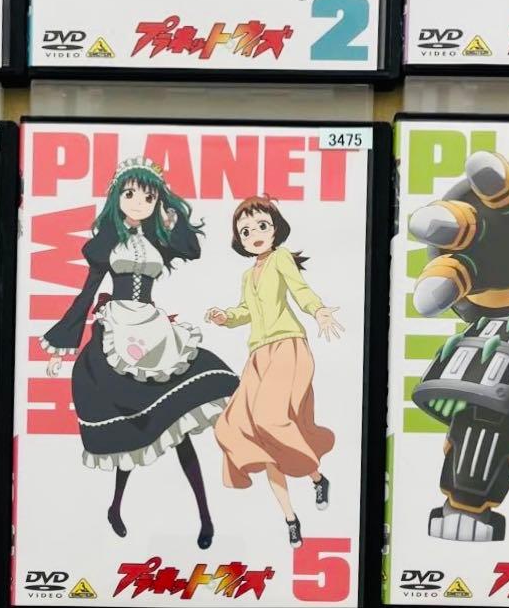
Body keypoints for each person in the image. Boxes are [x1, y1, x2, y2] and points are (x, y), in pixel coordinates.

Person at [43, 157, 238, 548]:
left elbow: (193, 250)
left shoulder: (158, 239)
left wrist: (170, 219)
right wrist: (61, 348)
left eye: (148, 197)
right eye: (130, 194)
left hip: (154, 331)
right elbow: (86, 294)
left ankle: (205, 516)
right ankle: (116, 506)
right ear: (117, 196)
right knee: (131, 427)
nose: (138, 203)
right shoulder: (105, 244)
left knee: (179, 425)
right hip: (117, 332)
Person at [205, 196, 343, 548]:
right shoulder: (246, 275)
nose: (254, 235)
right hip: (258, 356)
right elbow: (245, 312)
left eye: (261, 226)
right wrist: (225, 317)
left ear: (275, 228)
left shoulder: (281, 258)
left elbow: (300, 289)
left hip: (287, 348)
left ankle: (315, 476)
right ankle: (291, 517)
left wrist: (318, 310)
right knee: (240, 428)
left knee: (270, 420)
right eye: (245, 231)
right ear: (239, 239)